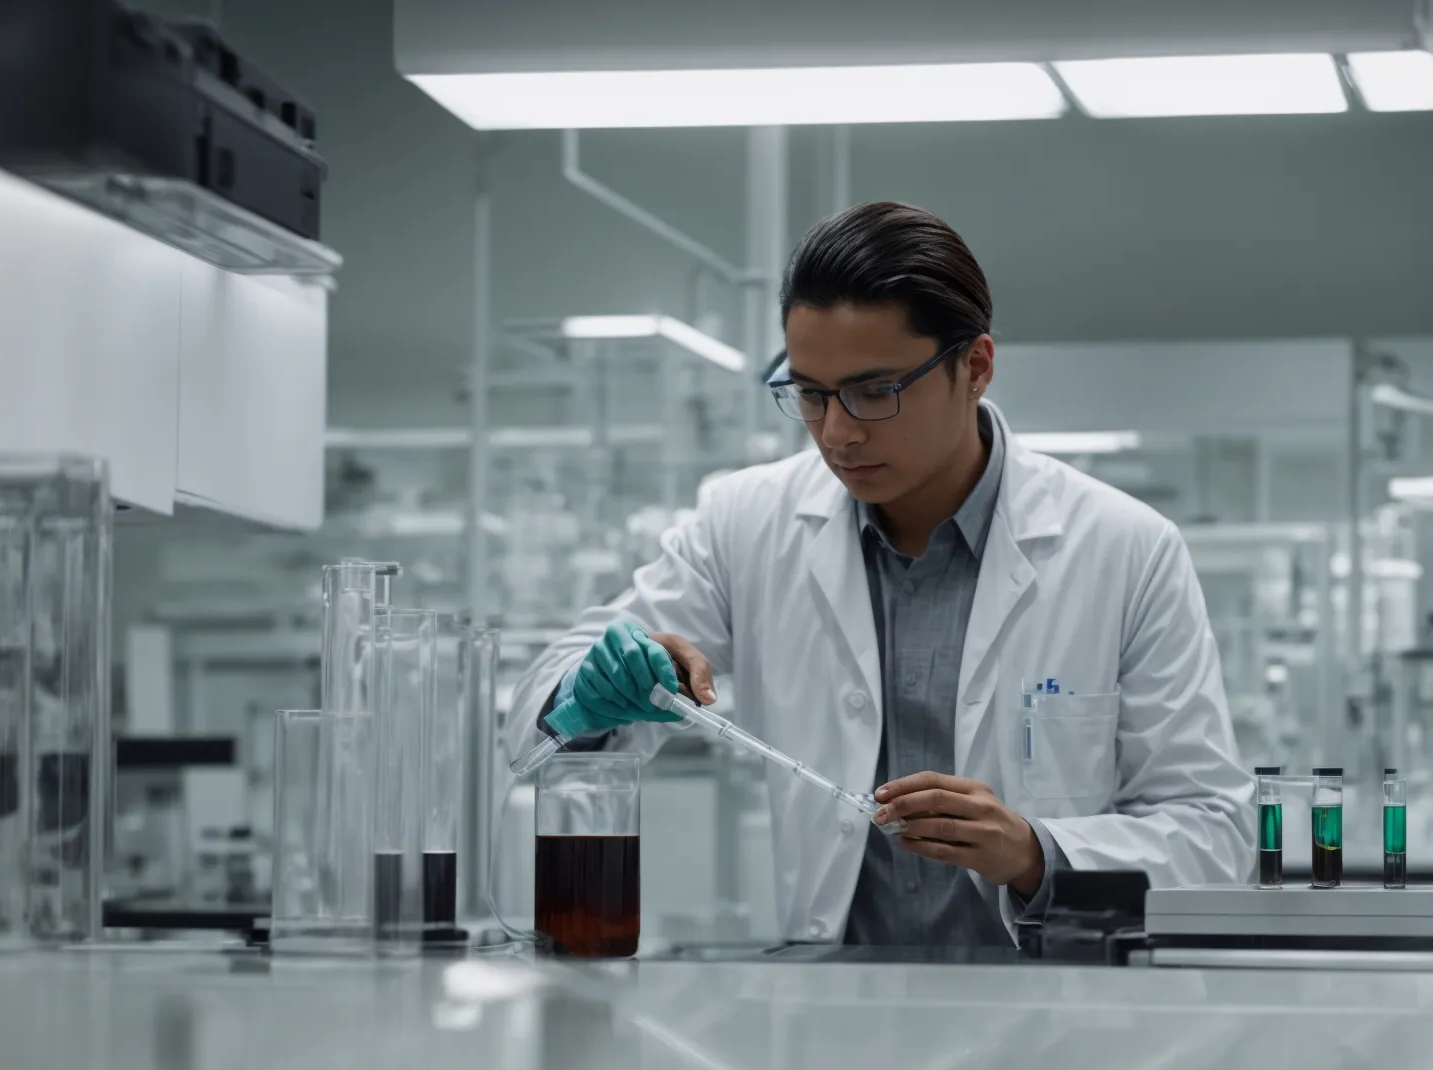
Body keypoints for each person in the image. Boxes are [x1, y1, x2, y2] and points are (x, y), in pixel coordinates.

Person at [505, 201, 1255, 946]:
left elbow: (1214, 836)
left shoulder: (1125, 548)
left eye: (875, 392)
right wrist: (590, 693)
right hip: (834, 1012)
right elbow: (548, 706)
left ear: (976, 367)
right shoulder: (745, 522)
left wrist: (1034, 852)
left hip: (1046, 1015)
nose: (838, 432)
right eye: (809, 394)